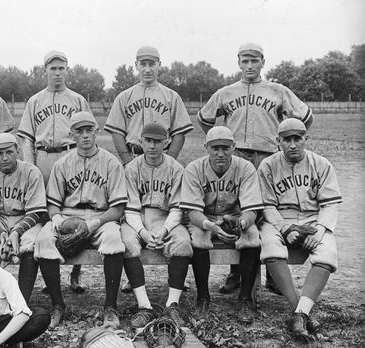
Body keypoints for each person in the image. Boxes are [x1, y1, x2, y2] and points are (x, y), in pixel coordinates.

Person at [197, 42, 313, 295]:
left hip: (270, 156)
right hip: (236, 156)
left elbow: (305, 118)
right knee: (236, 210)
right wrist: (222, 140)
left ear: (263, 62)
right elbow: (206, 120)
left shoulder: (277, 90)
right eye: (245, 61)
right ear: (238, 62)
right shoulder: (226, 92)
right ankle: (236, 272)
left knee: (270, 209)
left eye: (254, 60)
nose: (249, 65)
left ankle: (273, 272)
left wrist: (285, 141)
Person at [34, 111, 127, 329]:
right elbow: (53, 202)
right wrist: (56, 217)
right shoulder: (62, 164)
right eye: (79, 131)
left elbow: (118, 208)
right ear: (71, 135)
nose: (85, 136)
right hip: (68, 215)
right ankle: (58, 305)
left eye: (89, 130)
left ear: (97, 131)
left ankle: (110, 307)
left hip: (101, 217)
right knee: (43, 239)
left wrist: (95, 223)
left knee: (114, 240)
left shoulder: (111, 163)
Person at [257, 118, 342, 341]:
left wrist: (321, 230)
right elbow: (267, 205)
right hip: (279, 219)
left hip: (313, 218)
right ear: (278, 141)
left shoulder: (321, 164)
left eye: (297, 139)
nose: (293, 144)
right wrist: (285, 229)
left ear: (306, 139)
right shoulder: (268, 165)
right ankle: (301, 310)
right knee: (270, 247)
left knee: (328, 253)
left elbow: (330, 204)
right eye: (287, 140)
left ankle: (299, 314)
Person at [17, 50, 91, 293]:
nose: (57, 73)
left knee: (74, 210)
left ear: (67, 70)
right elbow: (26, 137)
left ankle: (76, 274)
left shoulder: (78, 99)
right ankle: (52, 275)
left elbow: (87, 133)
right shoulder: (34, 101)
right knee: (47, 215)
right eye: (53, 68)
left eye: (62, 68)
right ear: (45, 70)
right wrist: (30, 167)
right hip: (44, 157)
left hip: (71, 155)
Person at [180, 126, 263, 323]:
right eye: (215, 148)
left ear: (234, 147)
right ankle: (203, 297)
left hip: (234, 217)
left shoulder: (245, 168)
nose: (220, 153)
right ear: (206, 147)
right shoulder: (194, 168)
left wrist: (241, 223)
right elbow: (192, 212)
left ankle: (245, 300)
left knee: (252, 237)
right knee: (199, 238)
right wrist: (211, 226)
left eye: (225, 148)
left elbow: (252, 209)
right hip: (205, 218)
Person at [121, 123, 193, 328]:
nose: (152, 146)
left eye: (158, 142)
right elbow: (130, 209)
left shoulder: (175, 168)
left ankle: (172, 305)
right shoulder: (131, 168)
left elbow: (177, 208)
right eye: (148, 141)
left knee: (183, 243)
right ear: (141, 142)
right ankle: (145, 306)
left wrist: (164, 230)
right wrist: (142, 232)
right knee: (126, 243)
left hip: (166, 217)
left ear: (167, 142)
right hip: (138, 217)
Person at [0, 132, 47, 303]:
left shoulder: (31, 172)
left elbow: (36, 211)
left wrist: (16, 232)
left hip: (27, 219)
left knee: (31, 244)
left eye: (9, 152)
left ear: (17, 150)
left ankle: (21, 302)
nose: (5, 158)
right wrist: (1, 233)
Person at [104, 46, 193, 166]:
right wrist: (127, 161)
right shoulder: (124, 97)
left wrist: (169, 161)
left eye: (151, 64)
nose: (147, 69)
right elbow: (117, 132)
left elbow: (179, 133)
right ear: (136, 65)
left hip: (163, 155)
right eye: (143, 64)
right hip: (133, 154)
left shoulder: (172, 97)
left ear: (159, 64)